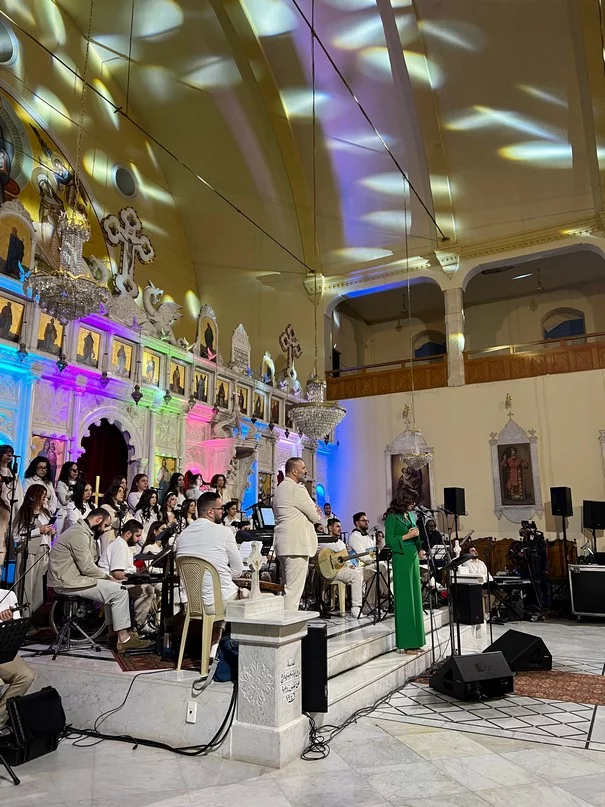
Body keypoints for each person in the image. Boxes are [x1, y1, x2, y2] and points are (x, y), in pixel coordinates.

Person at [48, 508, 151, 653]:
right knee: (119, 590)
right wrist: (108, 578)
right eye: (105, 525)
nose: (105, 529)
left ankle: (112, 635)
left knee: (113, 589)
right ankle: (124, 638)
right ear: (97, 520)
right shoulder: (79, 533)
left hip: (73, 578)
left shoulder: (84, 533)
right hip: (67, 581)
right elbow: (87, 567)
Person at [175, 492, 244, 614]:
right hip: (216, 603)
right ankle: (222, 632)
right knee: (256, 600)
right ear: (210, 512)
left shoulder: (182, 535)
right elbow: (238, 570)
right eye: (220, 508)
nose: (222, 511)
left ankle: (215, 632)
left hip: (190, 603)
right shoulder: (224, 532)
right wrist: (221, 573)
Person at [273, 457, 320, 611]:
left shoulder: (279, 488)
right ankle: (289, 631)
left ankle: (287, 627)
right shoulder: (297, 489)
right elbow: (315, 515)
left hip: (284, 544)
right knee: (293, 593)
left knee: (288, 589)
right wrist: (315, 512)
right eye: (304, 467)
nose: (306, 471)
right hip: (296, 546)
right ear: (294, 470)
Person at [385, 486, 425, 654]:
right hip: (401, 557)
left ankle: (417, 641)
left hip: (413, 556)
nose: (413, 504)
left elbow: (416, 535)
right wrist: (407, 536)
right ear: (403, 500)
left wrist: (419, 547)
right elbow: (389, 540)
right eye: (411, 500)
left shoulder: (411, 515)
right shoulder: (392, 517)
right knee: (405, 599)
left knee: (415, 597)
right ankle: (407, 643)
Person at [98, 519, 155, 633]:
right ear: (128, 534)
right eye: (137, 535)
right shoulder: (119, 545)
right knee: (147, 590)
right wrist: (134, 577)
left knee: (147, 586)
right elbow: (117, 573)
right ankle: (139, 625)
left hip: (117, 581)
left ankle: (139, 623)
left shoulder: (123, 545)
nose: (139, 539)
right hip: (111, 582)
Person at [13, 484, 56, 616]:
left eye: (46, 497)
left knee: (39, 587)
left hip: (43, 552)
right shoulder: (25, 512)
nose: (45, 500)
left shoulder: (46, 513)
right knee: (28, 586)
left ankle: (35, 616)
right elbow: (17, 536)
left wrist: (51, 533)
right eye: (43, 497)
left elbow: (46, 532)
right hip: (29, 553)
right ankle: (25, 616)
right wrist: (39, 530)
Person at [0, 589, 34, 730]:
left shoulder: (8, 595)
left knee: (26, 676)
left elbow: (16, 626)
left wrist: (9, 621)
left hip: (2, 650)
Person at [319, 519, 364, 618]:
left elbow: (345, 559)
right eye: (337, 526)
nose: (340, 529)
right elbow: (320, 556)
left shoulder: (341, 543)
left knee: (361, 571)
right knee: (356, 576)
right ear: (330, 528)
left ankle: (366, 603)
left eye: (340, 526)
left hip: (341, 569)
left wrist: (349, 565)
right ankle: (356, 608)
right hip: (331, 571)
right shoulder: (322, 541)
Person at [0, 445, 22, 567]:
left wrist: (19, 512)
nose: (9, 455)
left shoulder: (14, 475)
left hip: (10, 510)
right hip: (1, 510)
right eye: (6, 452)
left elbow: (18, 495)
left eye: (11, 453)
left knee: (6, 542)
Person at [99, 482, 127, 555]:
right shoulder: (105, 507)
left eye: (123, 492)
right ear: (112, 494)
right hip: (108, 536)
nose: (122, 494)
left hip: (119, 537)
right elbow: (112, 522)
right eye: (119, 491)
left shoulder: (123, 507)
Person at [55, 461, 80, 535]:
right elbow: (64, 501)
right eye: (73, 470)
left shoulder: (78, 483)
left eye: (77, 470)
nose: (76, 472)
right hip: (64, 514)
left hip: (75, 512)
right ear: (67, 470)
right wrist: (72, 491)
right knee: (60, 535)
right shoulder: (61, 483)